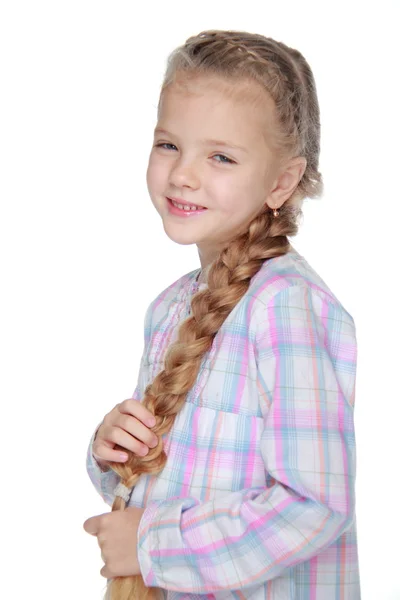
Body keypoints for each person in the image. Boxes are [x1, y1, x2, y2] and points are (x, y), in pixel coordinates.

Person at [84, 29, 360, 600]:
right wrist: (112, 453)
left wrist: (153, 547)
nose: (183, 174)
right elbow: (168, 485)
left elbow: (314, 504)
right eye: (168, 145)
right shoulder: (169, 310)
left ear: (281, 181)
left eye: (221, 156)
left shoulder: (286, 309)